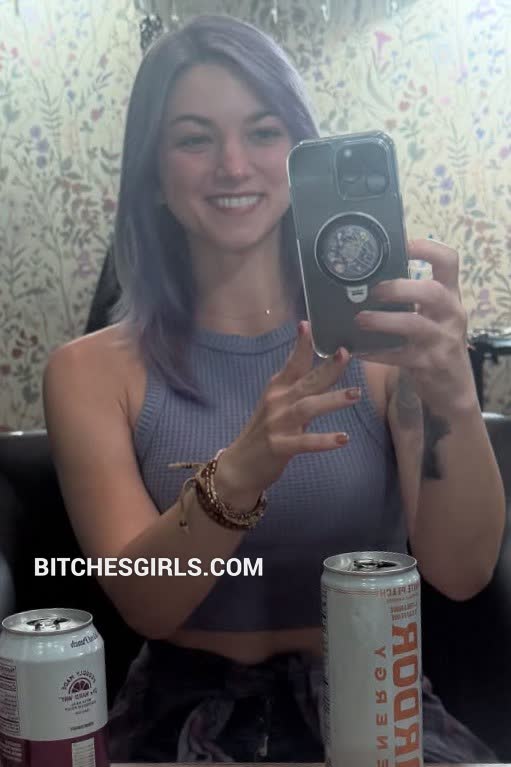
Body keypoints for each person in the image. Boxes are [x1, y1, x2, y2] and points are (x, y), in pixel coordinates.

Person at [43, 14, 505, 764]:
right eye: (194, 140)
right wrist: (240, 471)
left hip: (375, 696)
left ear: (299, 157)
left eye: (262, 133)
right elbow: (145, 603)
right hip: (177, 713)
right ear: (153, 172)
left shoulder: (384, 346)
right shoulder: (88, 372)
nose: (233, 165)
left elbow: (462, 571)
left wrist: (454, 396)